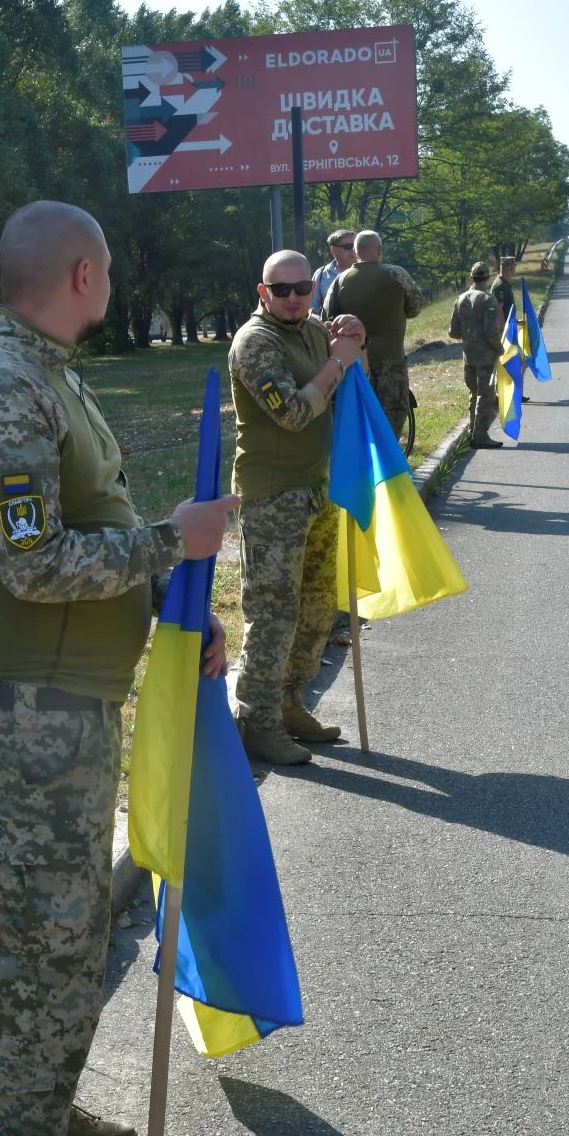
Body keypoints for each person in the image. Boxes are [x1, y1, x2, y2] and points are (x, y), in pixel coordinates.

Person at [0, 200, 238, 1136]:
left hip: (61, 710)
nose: (112, 286)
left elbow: (87, 528)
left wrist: (172, 608)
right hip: (19, 718)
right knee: (41, 944)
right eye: (107, 271)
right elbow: (34, 565)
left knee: (62, 937)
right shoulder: (3, 392)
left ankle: (38, 1110)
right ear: (79, 274)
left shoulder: (51, 376)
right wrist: (171, 542)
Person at [229, 248, 364, 766]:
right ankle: (257, 721)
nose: (291, 298)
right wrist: (337, 360)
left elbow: (350, 387)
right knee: (272, 612)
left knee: (315, 604)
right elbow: (291, 413)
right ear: (263, 293)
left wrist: (355, 342)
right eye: (279, 290)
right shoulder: (255, 341)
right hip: (272, 494)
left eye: (300, 288)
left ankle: (290, 704)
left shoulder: (312, 330)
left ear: (313, 288)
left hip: (317, 486)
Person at [323, 229, 423, 437]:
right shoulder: (397, 275)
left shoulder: (339, 281)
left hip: (354, 362)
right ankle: (388, 462)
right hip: (391, 360)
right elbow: (415, 308)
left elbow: (328, 317)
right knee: (392, 414)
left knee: (358, 416)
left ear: (357, 253)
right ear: (379, 250)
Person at [449, 261, 504, 449]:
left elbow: (453, 332)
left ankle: (472, 430)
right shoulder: (488, 300)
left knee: (473, 393)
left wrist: (468, 334)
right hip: (485, 357)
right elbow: (491, 330)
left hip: (468, 356)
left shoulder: (461, 299)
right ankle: (480, 434)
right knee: (486, 395)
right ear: (487, 278)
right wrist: (499, 348)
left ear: (472, 278)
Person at [491, 255, 529, 401]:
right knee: (516, 361)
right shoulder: (500, 286)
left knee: (517, 361)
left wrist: (515, 321)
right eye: (513, 268)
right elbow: (499, 310)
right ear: (511, 268)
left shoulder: (504, 283)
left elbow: (506, 310)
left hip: (509, 327)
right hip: (505, 331)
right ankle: (510, 394)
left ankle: (512, 393)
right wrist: (505, 331)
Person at [309, 228, 356, 315]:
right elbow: (312, 308)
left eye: (355, 246)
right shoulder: (320, 274)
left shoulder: (365, 273)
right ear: (333, 250)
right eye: (348, 246)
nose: (353, 250)